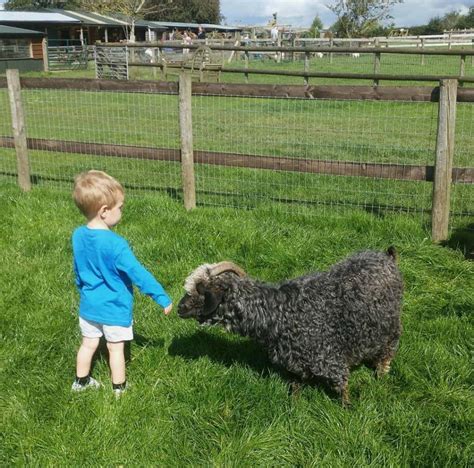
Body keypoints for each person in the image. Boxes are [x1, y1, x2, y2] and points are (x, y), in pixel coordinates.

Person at [71, 170, 173, 396]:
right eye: (120, 207)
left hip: (88, 306)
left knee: (88, 344)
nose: (122, 211)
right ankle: (120, 389)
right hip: (114, 308)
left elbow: (78, 269)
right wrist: (161, 296)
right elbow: (138, 273)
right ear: (104, 211)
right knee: (115, 349)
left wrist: (81, 288)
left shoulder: (77, 235)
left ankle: (81, 382)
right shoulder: (116, 244)